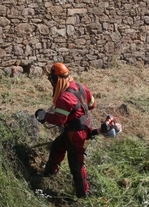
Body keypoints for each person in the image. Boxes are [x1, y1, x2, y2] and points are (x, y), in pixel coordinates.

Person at [34, 62, 100, 198]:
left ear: (56, 79)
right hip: (80, 128)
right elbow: (92, 105)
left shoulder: (64, 98)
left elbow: (59, 120)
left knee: (76, 165)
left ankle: (83, 195)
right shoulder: (82, 87)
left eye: (52, 80)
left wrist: (44, 116)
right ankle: (50, 173)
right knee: (58, 146)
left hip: (75, 134)